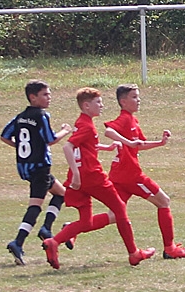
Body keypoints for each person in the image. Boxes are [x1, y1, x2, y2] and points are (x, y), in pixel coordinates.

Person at [41, 88, 156, 269]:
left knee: (86, 221)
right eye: (98, 103)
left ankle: (53, 242)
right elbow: (68, 147)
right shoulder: (87, 126)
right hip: (92, 177)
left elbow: (84, 145)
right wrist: (77, 173)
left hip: (80, 179)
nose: (102, 106)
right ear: (87, 105)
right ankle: (134, 253)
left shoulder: (82, 122)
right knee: (119, 209)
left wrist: (104, 148)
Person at [105, 84, 185, 259]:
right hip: (131, 175)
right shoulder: (124, 119)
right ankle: (170, 248)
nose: (138, 100)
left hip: (118, 175)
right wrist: (128, 143)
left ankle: (71, 230)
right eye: (134, 97)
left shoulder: (133, 120)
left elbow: (139, 144)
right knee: (163, 201)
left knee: (114, 215)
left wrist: (160, 143)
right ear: (123, 101)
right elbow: (109, 131)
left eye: (138, 96)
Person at [0, 80, 70, 265]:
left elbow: (4, 136)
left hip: (26, 167)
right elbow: (50, 139)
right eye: (45, 94)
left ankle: (46, 229)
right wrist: (65, 131)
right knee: (35, 206)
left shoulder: (20, 117)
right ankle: (18, 242)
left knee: (61, 194)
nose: (49, 97)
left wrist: (22, 148)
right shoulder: (41, 115)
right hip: (40, 168)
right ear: (33, 97)